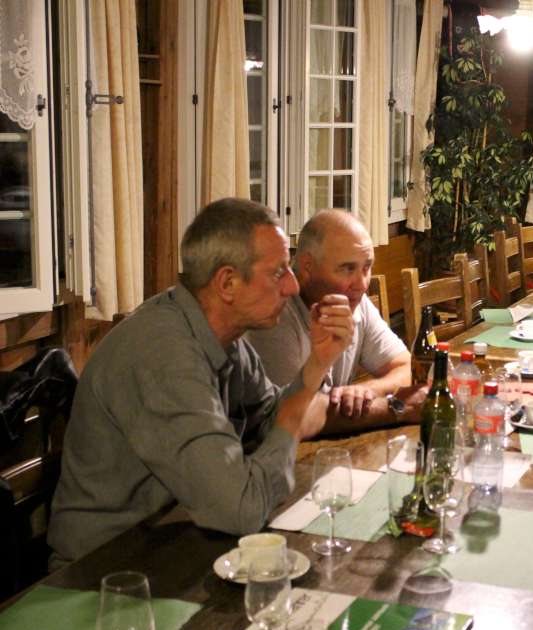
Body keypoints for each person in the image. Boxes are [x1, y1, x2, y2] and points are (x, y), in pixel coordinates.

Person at [48, 198, 354, 567]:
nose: (292, 286)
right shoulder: (161, 352)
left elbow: (267, 420)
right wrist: (293, 417)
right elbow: (239, 509)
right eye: (278, 272)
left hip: (175, 547)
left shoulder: (224, 337)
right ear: (227, 283)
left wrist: (317, 366)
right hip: (103, 574)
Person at [247, 209, 424, 433]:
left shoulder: (356, 302)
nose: (362, 284)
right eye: (348, 269)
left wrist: (368, 390)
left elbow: (406, 367)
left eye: (367, 267)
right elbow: (294, 416)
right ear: (307, 266)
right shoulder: (274, 315)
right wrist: (398, 407)